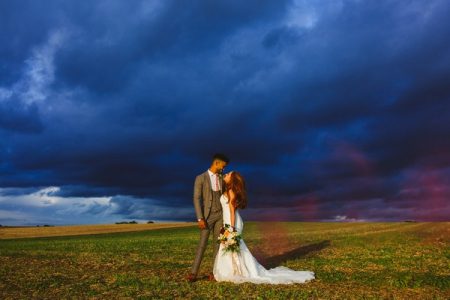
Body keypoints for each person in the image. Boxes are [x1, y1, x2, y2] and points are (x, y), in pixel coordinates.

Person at [213, 171, 315, 284]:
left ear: (232, 180)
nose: (226, 174)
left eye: (228, 174)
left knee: (233, 246)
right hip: (227, 222)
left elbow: (232, 211)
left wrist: (231, 229)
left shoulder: (231, 191)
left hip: (232, 222)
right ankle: (233, 271)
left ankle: (239, 272)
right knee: (227, 247)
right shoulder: (227, 190)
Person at [186, 153, 229, 282]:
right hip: (206, 216)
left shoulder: (222, 178)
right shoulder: (200, 178)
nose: (224, 169)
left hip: (220, 215)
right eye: (223, 166)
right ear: (216, 163)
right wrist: (200, 218)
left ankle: (214, 273)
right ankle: (194, 273)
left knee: (218, 245)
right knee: (202, 244)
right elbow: (196, 198)